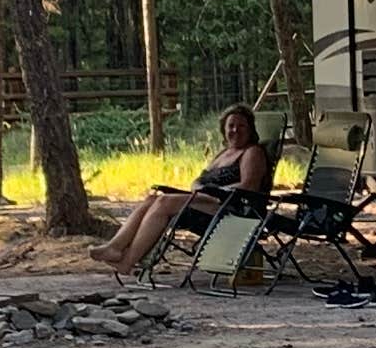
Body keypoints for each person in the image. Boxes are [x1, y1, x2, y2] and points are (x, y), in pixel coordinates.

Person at [95, 104, 275, 276]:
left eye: (241, 126)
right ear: (224, 129)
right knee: (152, 199)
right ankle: (116, 247)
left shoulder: (252, 152)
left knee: (164, 202)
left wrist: (215, 192)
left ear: (251, 129)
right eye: (231, 126)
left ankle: (127, 262)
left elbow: (249, 186)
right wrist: (198, 187)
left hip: (232, 208)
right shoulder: (224, 154)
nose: (235, 130)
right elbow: (201, 179)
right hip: (206, 199)